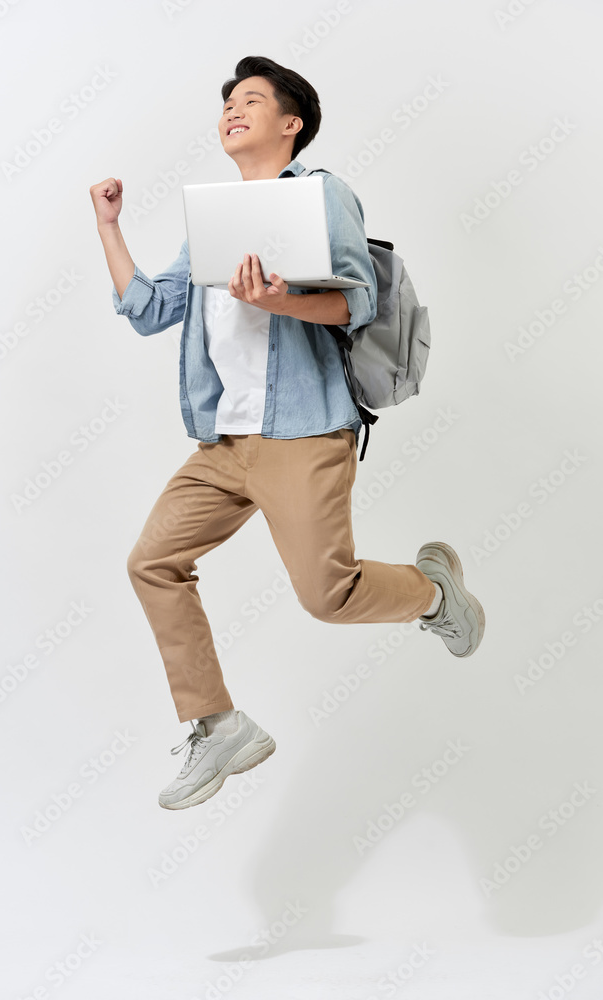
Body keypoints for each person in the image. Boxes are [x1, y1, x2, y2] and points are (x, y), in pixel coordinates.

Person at [89, 55, 485, 813]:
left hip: (303, 434)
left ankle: (434, 593)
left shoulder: (319, 194)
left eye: (252, 100)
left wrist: (278, 299)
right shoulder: (211, 221)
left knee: (327, 596)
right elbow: (147, 310)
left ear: (290, 122)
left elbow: (356, 303)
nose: (233, 110)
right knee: (153, 562)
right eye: (228, 102)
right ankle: (219, 724)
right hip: (222, 444)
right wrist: (109, 228)